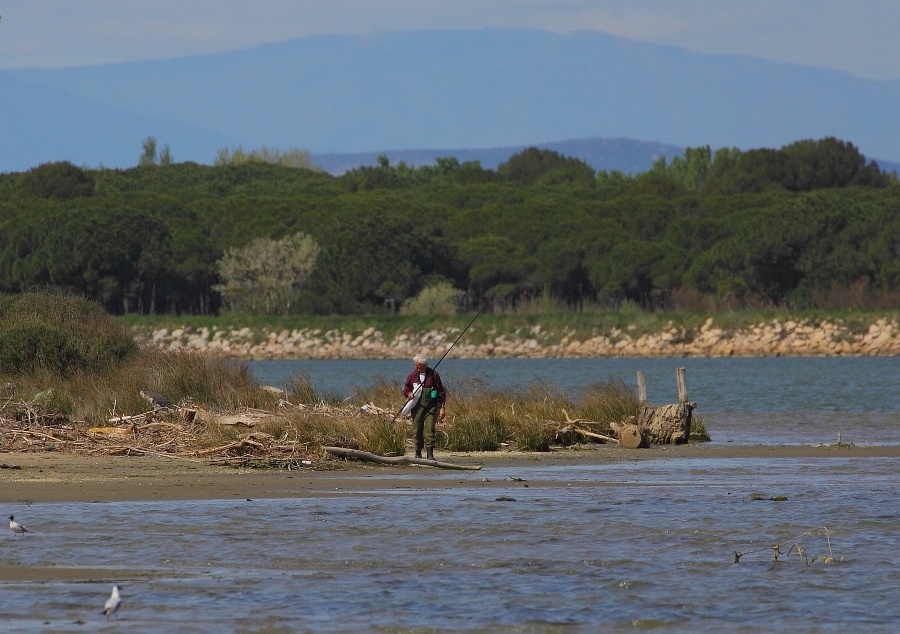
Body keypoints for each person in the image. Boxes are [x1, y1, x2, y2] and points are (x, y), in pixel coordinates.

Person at [402, 353, 446, 460]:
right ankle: (418, 453)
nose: (416, 367)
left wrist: (442, 407)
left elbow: (440, 391)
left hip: (431, 407)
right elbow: (406, 389)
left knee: (430, 429)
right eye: (415, 365)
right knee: (417, 429)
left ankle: (430, 454)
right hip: (417, 408)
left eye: (418, 365)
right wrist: (409, 394)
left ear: (424, 365)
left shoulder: (434, 374)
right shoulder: (412, 376)